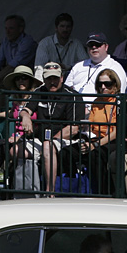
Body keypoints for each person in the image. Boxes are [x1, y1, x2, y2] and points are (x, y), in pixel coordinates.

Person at [19, 62, 83, 191]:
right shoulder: (39, 91)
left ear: (61, 78)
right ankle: (23, 191)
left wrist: (53, 139)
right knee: (15, 149)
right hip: (40, 139)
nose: (52, 82)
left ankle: (49, 192)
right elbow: (25, 110)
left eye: (55, 78)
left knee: (48, 147)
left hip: (65, 140)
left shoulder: (73, 96)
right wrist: (25, 117)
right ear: (44, 79)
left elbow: (74, 128)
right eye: (49, 78)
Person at [60, 69, 122, 193]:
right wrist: (85, 137)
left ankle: (101, 193)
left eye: (107, 84)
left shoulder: (118, 103)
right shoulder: (96, 102)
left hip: (111, 141)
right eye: (100, 84)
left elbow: (116, 132)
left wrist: (95, 145)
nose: (103, 87)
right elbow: (90, 126)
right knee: (66, 152)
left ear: (115, 85)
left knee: (96, 155)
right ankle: (72, 189)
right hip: (93, 138)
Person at [64, 32, 127, 100]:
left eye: (98, 44)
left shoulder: (115, 67)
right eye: (91, 45)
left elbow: (119, 94)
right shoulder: (78, 66)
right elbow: (66, 89)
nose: (94, 47)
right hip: (75, 106)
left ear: (106, 47)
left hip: (99, 107)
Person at [0, 15, 38, 89]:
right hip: (11, 78)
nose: (7, 32)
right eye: (6, 28)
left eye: (11, 28)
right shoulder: (6, 41)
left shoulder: (27, 42)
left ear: (20, 29)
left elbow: (13, 66)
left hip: (26, 79)